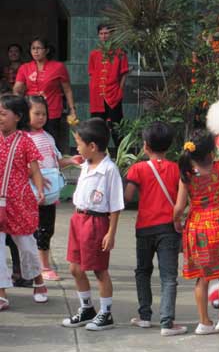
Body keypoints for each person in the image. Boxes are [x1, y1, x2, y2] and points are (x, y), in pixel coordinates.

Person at [173, 130, 219, 335]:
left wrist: (176, 221)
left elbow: (179, 207)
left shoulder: (187, 175)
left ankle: (204, 322)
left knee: (202, 277)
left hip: (198, 228)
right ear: (211, 153)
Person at [125, 121, 187, 336]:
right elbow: (183, 199)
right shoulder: (177, 169)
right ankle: (167, 323)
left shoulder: (138, 168)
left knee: (142, 271)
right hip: (168, 228)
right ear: (168, 146)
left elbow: (128, 196)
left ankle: (144, 316)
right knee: (168, 277)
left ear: (145, 146)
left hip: (144, 228)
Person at [61, 117, 124, 331]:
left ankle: (106, 313)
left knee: (99, 270)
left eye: (79, 143)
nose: (77, 147)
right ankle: (87, 308)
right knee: (75, 268)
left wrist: (111, 233)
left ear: (93, 146)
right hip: (78, 220)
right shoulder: (86, 164)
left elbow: (115, 205)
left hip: (96, 222)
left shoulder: (109, 170)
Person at [0, 94, 49, 311]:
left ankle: (38, 281)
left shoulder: (25, 141)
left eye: (3, 113)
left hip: (19, 202)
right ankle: (1, 292)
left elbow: (35, 169)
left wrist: (39, 189)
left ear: (17, 117)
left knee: (27, 247)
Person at [27, 96, 83, 281]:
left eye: (44, 113)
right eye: (37, 113)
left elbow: (56, 161)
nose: (41, 117)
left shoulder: (48, 137)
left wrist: (71, 161)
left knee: (46, 228)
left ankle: (41, 266)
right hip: (30, 193)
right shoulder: (23, 138)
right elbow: (20, 166)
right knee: (34, 230)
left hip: (48, 194)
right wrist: (36, 177)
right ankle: (41, 266)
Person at [13, 37, 77, 151]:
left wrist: (72, 110)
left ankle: (52, 164)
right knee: (31, 141)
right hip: (30, 111)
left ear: (46, 50)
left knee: (50, 142)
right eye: (33, 48)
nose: (36, 51)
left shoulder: (58, 67)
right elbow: (17, 89)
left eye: (39, 48)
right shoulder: (24, 68)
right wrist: (17, 93)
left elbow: (67, 90)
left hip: (52, 110)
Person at [88, 23, 129, 149]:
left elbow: (124, 74)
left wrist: (120, 91)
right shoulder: (94, 54)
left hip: (113, 94)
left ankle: (120, 156)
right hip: (97, 96)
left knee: (117, 127)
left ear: (112, 34)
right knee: (97, 127)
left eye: (106, 33)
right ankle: (97, 154)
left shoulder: (120, 53)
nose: (104, 36)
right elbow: (91, 73)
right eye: (101, 33)